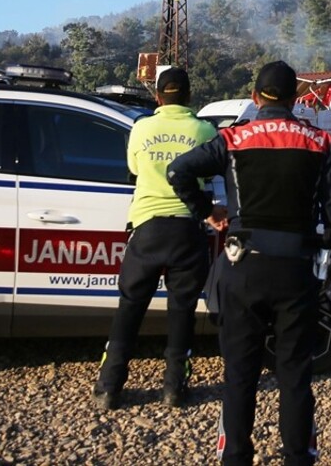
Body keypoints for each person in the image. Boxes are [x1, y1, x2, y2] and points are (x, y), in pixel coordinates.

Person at [166, 61, 331, 466]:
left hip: (242, 266)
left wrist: (207, 212)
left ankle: (235, 457)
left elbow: (178, 170)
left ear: (255, 97)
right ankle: (298, 457)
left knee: (239, 374)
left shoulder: (232, 138)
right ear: (296, 100)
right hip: (296, 270)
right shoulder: (320, 142)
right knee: (295, 375)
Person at [94, 66, 222, 411]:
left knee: (130, 306)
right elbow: (212, 170)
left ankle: (109, 387)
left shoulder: (141, 128)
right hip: (186, 229)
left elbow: (135, 169)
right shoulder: (205, 129)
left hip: (147, 227)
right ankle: (174, 389)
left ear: (157, 97)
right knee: (181, 310)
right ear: (190, 96)